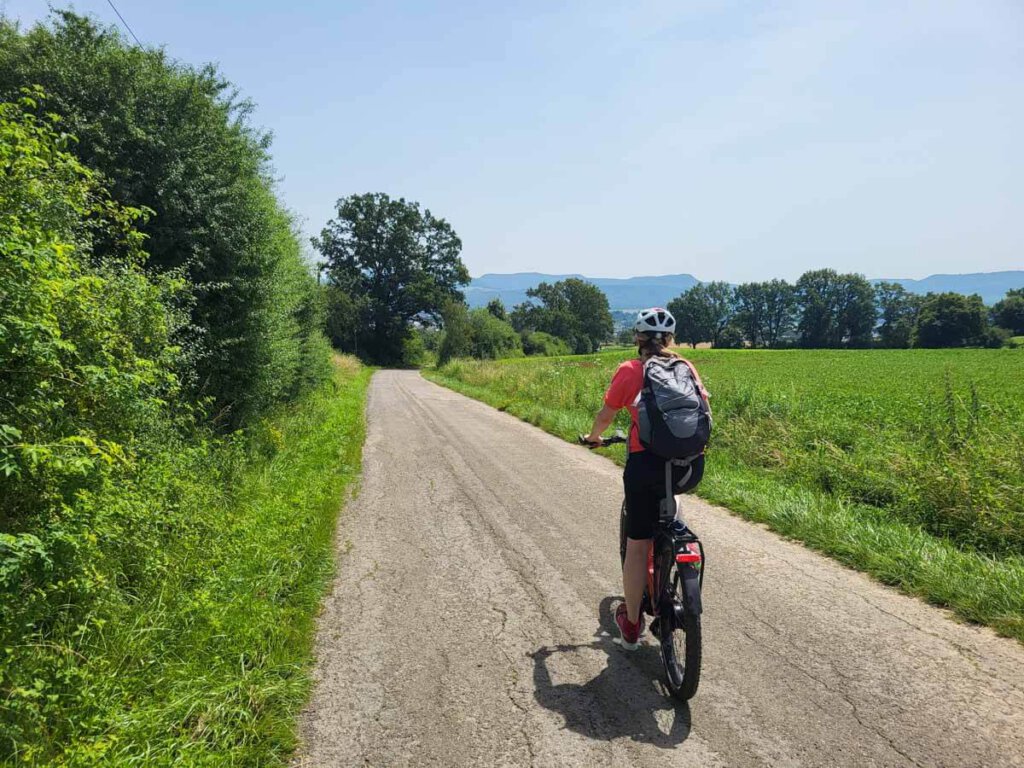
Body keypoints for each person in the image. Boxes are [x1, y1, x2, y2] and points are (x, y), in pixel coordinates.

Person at [583, 307, 708, 650]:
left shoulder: (630, 370)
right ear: (670, 339)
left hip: (645, 466)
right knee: (672, 507)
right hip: (688, 466)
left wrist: (594, 437)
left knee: (637, 546)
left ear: (637, 338)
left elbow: (607, 414)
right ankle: (675, 545)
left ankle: (632, 626)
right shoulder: (686, 367)